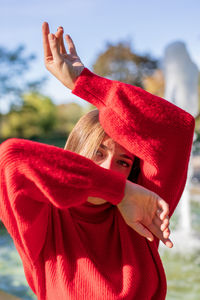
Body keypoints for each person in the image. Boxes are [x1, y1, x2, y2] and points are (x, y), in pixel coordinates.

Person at [0, 22, 194, 300]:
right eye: (98, 153)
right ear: (75, 154)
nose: (109, 169)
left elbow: (179, 126)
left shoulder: (143, 213)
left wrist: (85, 82)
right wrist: (119, 190)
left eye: (124, 163)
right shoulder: (45, 221)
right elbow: (11, 157)